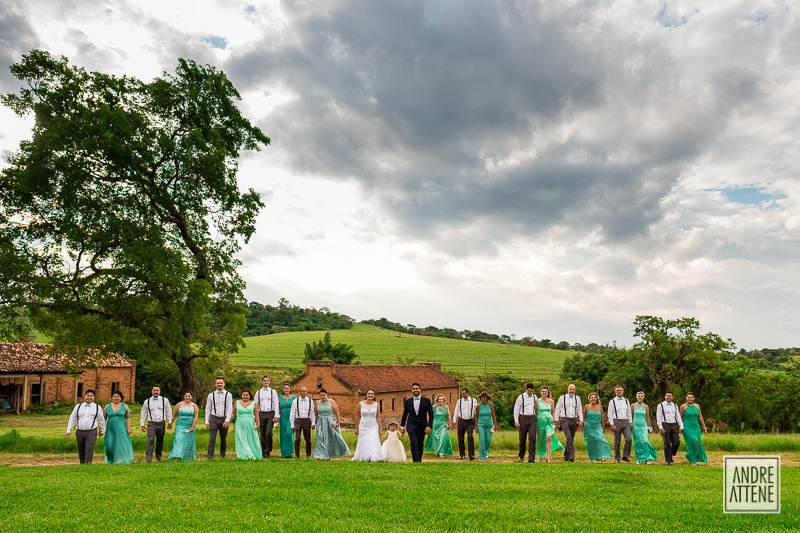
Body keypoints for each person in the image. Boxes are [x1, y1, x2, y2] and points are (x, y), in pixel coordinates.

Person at [66, 389, 106, 464]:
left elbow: (101, 419)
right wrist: (69, 430)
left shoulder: (97, 407)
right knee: (81, 449)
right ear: (84, 397)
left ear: (94, 397)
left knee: (89, 448)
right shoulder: (78, 406)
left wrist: (102, 429)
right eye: (87, 395)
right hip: (80, 431)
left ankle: (88, 464)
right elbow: (72, 418)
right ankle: (82, 463)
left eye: (91, 396)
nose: (89, 397)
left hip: (91, 431)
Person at [400, 382, 434, 463]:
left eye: (417, 388)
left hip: (422, 426)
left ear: (420, 390)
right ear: (411, 390)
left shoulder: (426, 400)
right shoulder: (408, 401)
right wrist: (402, 426)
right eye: (414, 389)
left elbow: (431, 414)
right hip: (411, 425)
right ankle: (415, 461)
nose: (415, 390)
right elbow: (405, 414)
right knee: (413, 442)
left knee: (420, 443)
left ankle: (419, 460)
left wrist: (429, 426)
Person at [313, 389, 351, 460]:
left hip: (330, 421)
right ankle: (318, 455)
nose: (322, 396)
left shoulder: (331, 401)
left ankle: (329, 455)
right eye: (321, 395)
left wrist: (338, 422)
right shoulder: (318, 403)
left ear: (326, 395)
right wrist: (313, 423)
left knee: (330, 438)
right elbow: (316, 414)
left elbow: (337, 412)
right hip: (320, 422)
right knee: (320, 437)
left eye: (324, 395)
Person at [139, 384, 173, 463]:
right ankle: (148, 458)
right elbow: (143, 412)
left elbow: (169, 410)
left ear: (159, 391)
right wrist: (142, 424)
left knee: (160, 441)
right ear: (152, 391)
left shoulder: (165, 400)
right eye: (154, 390)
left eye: (157, 390)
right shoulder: (147, 401)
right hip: (151, 423)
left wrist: (170, 422)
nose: (156, 392)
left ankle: (158, 457)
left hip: (161, 423)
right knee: (150, 440)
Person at [352, 389, 384, 462]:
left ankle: (373, 457)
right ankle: (363, 457)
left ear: (374, 396)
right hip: (363, 425)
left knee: (372, 440)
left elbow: (378, 417)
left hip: (373, 425)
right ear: (366, 395)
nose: (370, 395)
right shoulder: (360, 404)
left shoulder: (376, 404)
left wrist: (381, 428)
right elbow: (357, 417)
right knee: (364, 441)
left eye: (372, 394)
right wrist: (356, 428)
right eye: (369, 394)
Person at [205, 376, 233, 459]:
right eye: (218, 383)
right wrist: (207, 421)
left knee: (223, 439)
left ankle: (222, 456)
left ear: (224, 384)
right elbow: (208, 408)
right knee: (212, 439)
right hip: (214, 418)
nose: (219, 384)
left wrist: (227, 420)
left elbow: (229, 408)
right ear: (215, 384)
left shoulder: (228, 395)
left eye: (221, 383)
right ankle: (210, 457)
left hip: (224, 418)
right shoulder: (211, 395)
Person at [555, 384, 583, 462]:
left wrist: (581, 420)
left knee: (571, 438)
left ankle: (566, 456)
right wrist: (556, 420)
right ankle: (572, 455)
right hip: (564, 419)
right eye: (570, 389)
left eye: (573, 389)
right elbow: (557, 408)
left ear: (575, 390)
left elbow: (579, 409)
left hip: (573, 420)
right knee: (568, 437)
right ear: (567, 389)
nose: (571, 391)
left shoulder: (577, 398)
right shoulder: (562, 397)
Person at [104, 390, 134, 464]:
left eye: (118, 397)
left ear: (121, 398)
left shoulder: (125, 406)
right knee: (109, 444)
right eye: (114, 396)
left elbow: (127, 417)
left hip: (121, 428)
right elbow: (103, 418)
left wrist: (129, 428)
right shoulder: (107, 407)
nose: (116, 398)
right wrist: (101, 428)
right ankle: (110, 459)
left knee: (121, 444)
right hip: (110, 429)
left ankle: (122, 459)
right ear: (112, 397)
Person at [536, 386, 564, 463]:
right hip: (540, 421)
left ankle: (548, 456)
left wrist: (555, 418)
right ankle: (539, 455)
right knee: (540, 439)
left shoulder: (551, 401)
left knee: (549, 438)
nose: (544, 392)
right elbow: (535, 412)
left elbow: (553, 411)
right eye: (543, 391)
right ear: (540, 392)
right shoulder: (537, 401)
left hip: (548, 421)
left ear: (548, 393)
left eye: (545, 391)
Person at [231, 388, 261, 460]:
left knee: (252, 439)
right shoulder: (237, 402)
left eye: (247, 395)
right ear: (241, 395)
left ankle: (254, 453)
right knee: (241, 439)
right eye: (244, 395)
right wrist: (227, 421)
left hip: (250, 423)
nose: (245, 396)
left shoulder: (254, 403)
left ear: (250, 396)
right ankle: (245, 455)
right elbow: (233, 413)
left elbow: (256, 415)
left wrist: (258, 423)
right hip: (240, 423)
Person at [168, 391, 198, 461]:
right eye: (186, 396)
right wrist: (170, 423)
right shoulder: (179, 404)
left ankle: (186, 456)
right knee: (178, 440)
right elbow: (174, 415)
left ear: (191, 397)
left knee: (188, 442)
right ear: (184, 397)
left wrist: (193, 426)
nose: (187, 397)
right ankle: (177, 455)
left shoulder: (194, 406)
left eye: (189, 396)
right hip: (180, 425)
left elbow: (195, 417)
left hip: (190, 425)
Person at [254, 376, 280, 459]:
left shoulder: (273, 391)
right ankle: (263, 451)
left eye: (267, 380)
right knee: (262, 433)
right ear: (262, 382)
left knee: (268, 432)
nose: (266, 382)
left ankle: (268, 450)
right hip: (261, 413)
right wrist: (254, 416)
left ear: (269, 382)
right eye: (264, 381)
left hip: (270, 414)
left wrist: (276, 415)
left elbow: (276, 404)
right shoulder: (258, 392)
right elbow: (255, 405)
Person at [513, 383, 538, 463]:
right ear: (526, 389)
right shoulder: (521, 397)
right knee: (522, 438)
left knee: (532, 437)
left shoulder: (535, 397)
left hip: (532, 418)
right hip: (523, 417)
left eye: (532, 391)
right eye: (529, 391)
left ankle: (531, 458)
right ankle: (521, 456)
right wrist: (516, 421)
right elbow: (516, 409)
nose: (531, 393)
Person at [582, 393, 612, 463]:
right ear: (589, 399)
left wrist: (602, 428)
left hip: (597, 426)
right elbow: (584, 416)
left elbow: (602, 418)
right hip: (589, 426)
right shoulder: (587, 407)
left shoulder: (600, 407)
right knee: (590, 442)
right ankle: (591, 457)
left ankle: (602, 456)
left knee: (601, 440)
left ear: (597, 399)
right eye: (591, 397)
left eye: (594, 397)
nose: (593, 399)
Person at [680, 392, 708, 466]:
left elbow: (700, 417)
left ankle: (690, 456)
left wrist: (704, 426)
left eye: (691, 397)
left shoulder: (697, 406)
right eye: (688, 397)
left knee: (698, 443)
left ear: (694, 398)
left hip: (696, 427)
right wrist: (680, 427)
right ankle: (693, 461)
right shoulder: (683, 407)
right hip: (687, 426)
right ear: (686, 398)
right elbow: (680, 417)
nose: (690, 399)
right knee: (692, 442)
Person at [656, 392, 683, 466]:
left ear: (672, 397)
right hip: (664, 424)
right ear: (665, 397)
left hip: (673, 424)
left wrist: (681, 426)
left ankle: (671, 453)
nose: (669, 397)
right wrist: (660, 427)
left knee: (676, 442)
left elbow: (678, 416)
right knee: (667, 442)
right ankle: (668, 460)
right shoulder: (660, 405)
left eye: (670, 396)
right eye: (667, 396)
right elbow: (658, 416)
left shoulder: (675, 405)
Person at [631, 391, 658, 465]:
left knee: (645, 441)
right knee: (637, 442)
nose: (640, 397)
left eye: (641, 396)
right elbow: (630, 415)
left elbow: (647, 417)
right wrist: (630, 423)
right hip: (635, 425)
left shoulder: (646, 406)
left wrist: (650, 427)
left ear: (643, 397)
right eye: (639, 396)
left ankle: (646, 458)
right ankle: (638, 459)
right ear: (636, 397)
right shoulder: (633, 405)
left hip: (643, 426)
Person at [607, 385, 632, 463]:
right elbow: (610, 413)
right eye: (617, 390)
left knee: (629, 439)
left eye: (620, 390)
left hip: (625, 421)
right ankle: (617, 458)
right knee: (617, 441)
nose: (619, 392)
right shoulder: (612, 401)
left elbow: (629, 412)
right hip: (616, 421)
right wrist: (612, 424)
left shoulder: (626, 401)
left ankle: (625, 456)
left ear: (623, 391)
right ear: (615, 392)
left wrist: (630, 421)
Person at [290, 385, 316, 458]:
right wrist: (292, 425)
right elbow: (292, 414)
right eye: (302, 391)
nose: (304, 392)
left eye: (305, 391)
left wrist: (313, 423)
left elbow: (312, 412)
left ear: (307, 392)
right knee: (297, 438)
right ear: (299, 392)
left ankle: (308, 455)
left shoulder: (310, 401)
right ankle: (297, 455)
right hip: (298, 420)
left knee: (308, 439)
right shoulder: (295, 401)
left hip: (307, 421)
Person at [452, 387, 477, 461]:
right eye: (462, 394)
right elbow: (456, 410)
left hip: (470, 421)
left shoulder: (473, 400)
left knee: (470, 437)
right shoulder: (459, 401)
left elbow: (476, 411)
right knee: (460, 438)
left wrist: (476, 422)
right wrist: (454, 420)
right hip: (461, 421)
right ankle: (462, 454)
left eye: (464, 394)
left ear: (468, 393)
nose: (463, 395)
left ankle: (471, 455)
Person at [476, 391, 498, 462]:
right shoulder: (478, 406)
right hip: (481, 424)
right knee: (482, 439)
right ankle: (481, 456)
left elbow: (493, 415)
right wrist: (476, 426)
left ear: (487, 398)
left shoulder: (491, 405)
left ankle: (485, 452)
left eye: (484, 397)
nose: (482, 399)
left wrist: (495, 424)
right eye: (481, 397)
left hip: (489, 424)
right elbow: (476, 416)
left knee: (488, 440)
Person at [279, 383, 296, 458]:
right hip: (283, 417)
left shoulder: (294, 397)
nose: (286, 390)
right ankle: (283, 452)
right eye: (285, 388)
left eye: (287, 388)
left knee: (289, 434)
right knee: (283, 435)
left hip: (291, 418)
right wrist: (278, 417)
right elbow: (279, 408)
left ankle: (289, 453)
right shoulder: (280, 397)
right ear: (283, 390)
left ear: (290, 389)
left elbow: (296, 408)